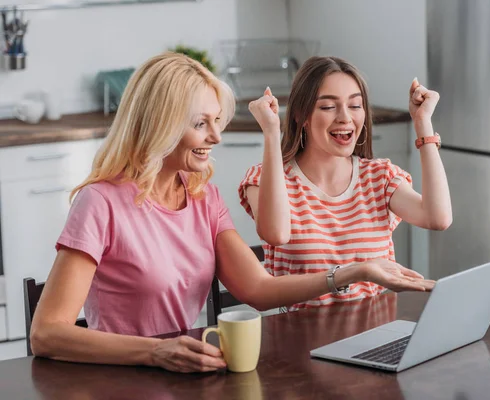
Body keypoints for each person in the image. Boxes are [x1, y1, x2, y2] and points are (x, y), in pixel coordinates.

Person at [30, 52, 435, 374]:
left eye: (216, 120)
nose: (216, 136)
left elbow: (258, 291)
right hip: (124, 378)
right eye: (201, 123)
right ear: (160, 125)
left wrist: (354, 270)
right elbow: (47, 334)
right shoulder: (100, 202)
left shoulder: (203, 197)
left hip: (188, 374)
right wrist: (156, 352)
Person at [239, 56, 452, 311]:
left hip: (375, 335)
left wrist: (423, 123)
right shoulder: (267, 179)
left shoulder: (379, 177)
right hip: (302, 338)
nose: (345, 118)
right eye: (328, 107)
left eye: (355, 105)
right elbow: (276, 234)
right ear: (300, 116)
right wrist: (272, 133)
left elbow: (437, 218)